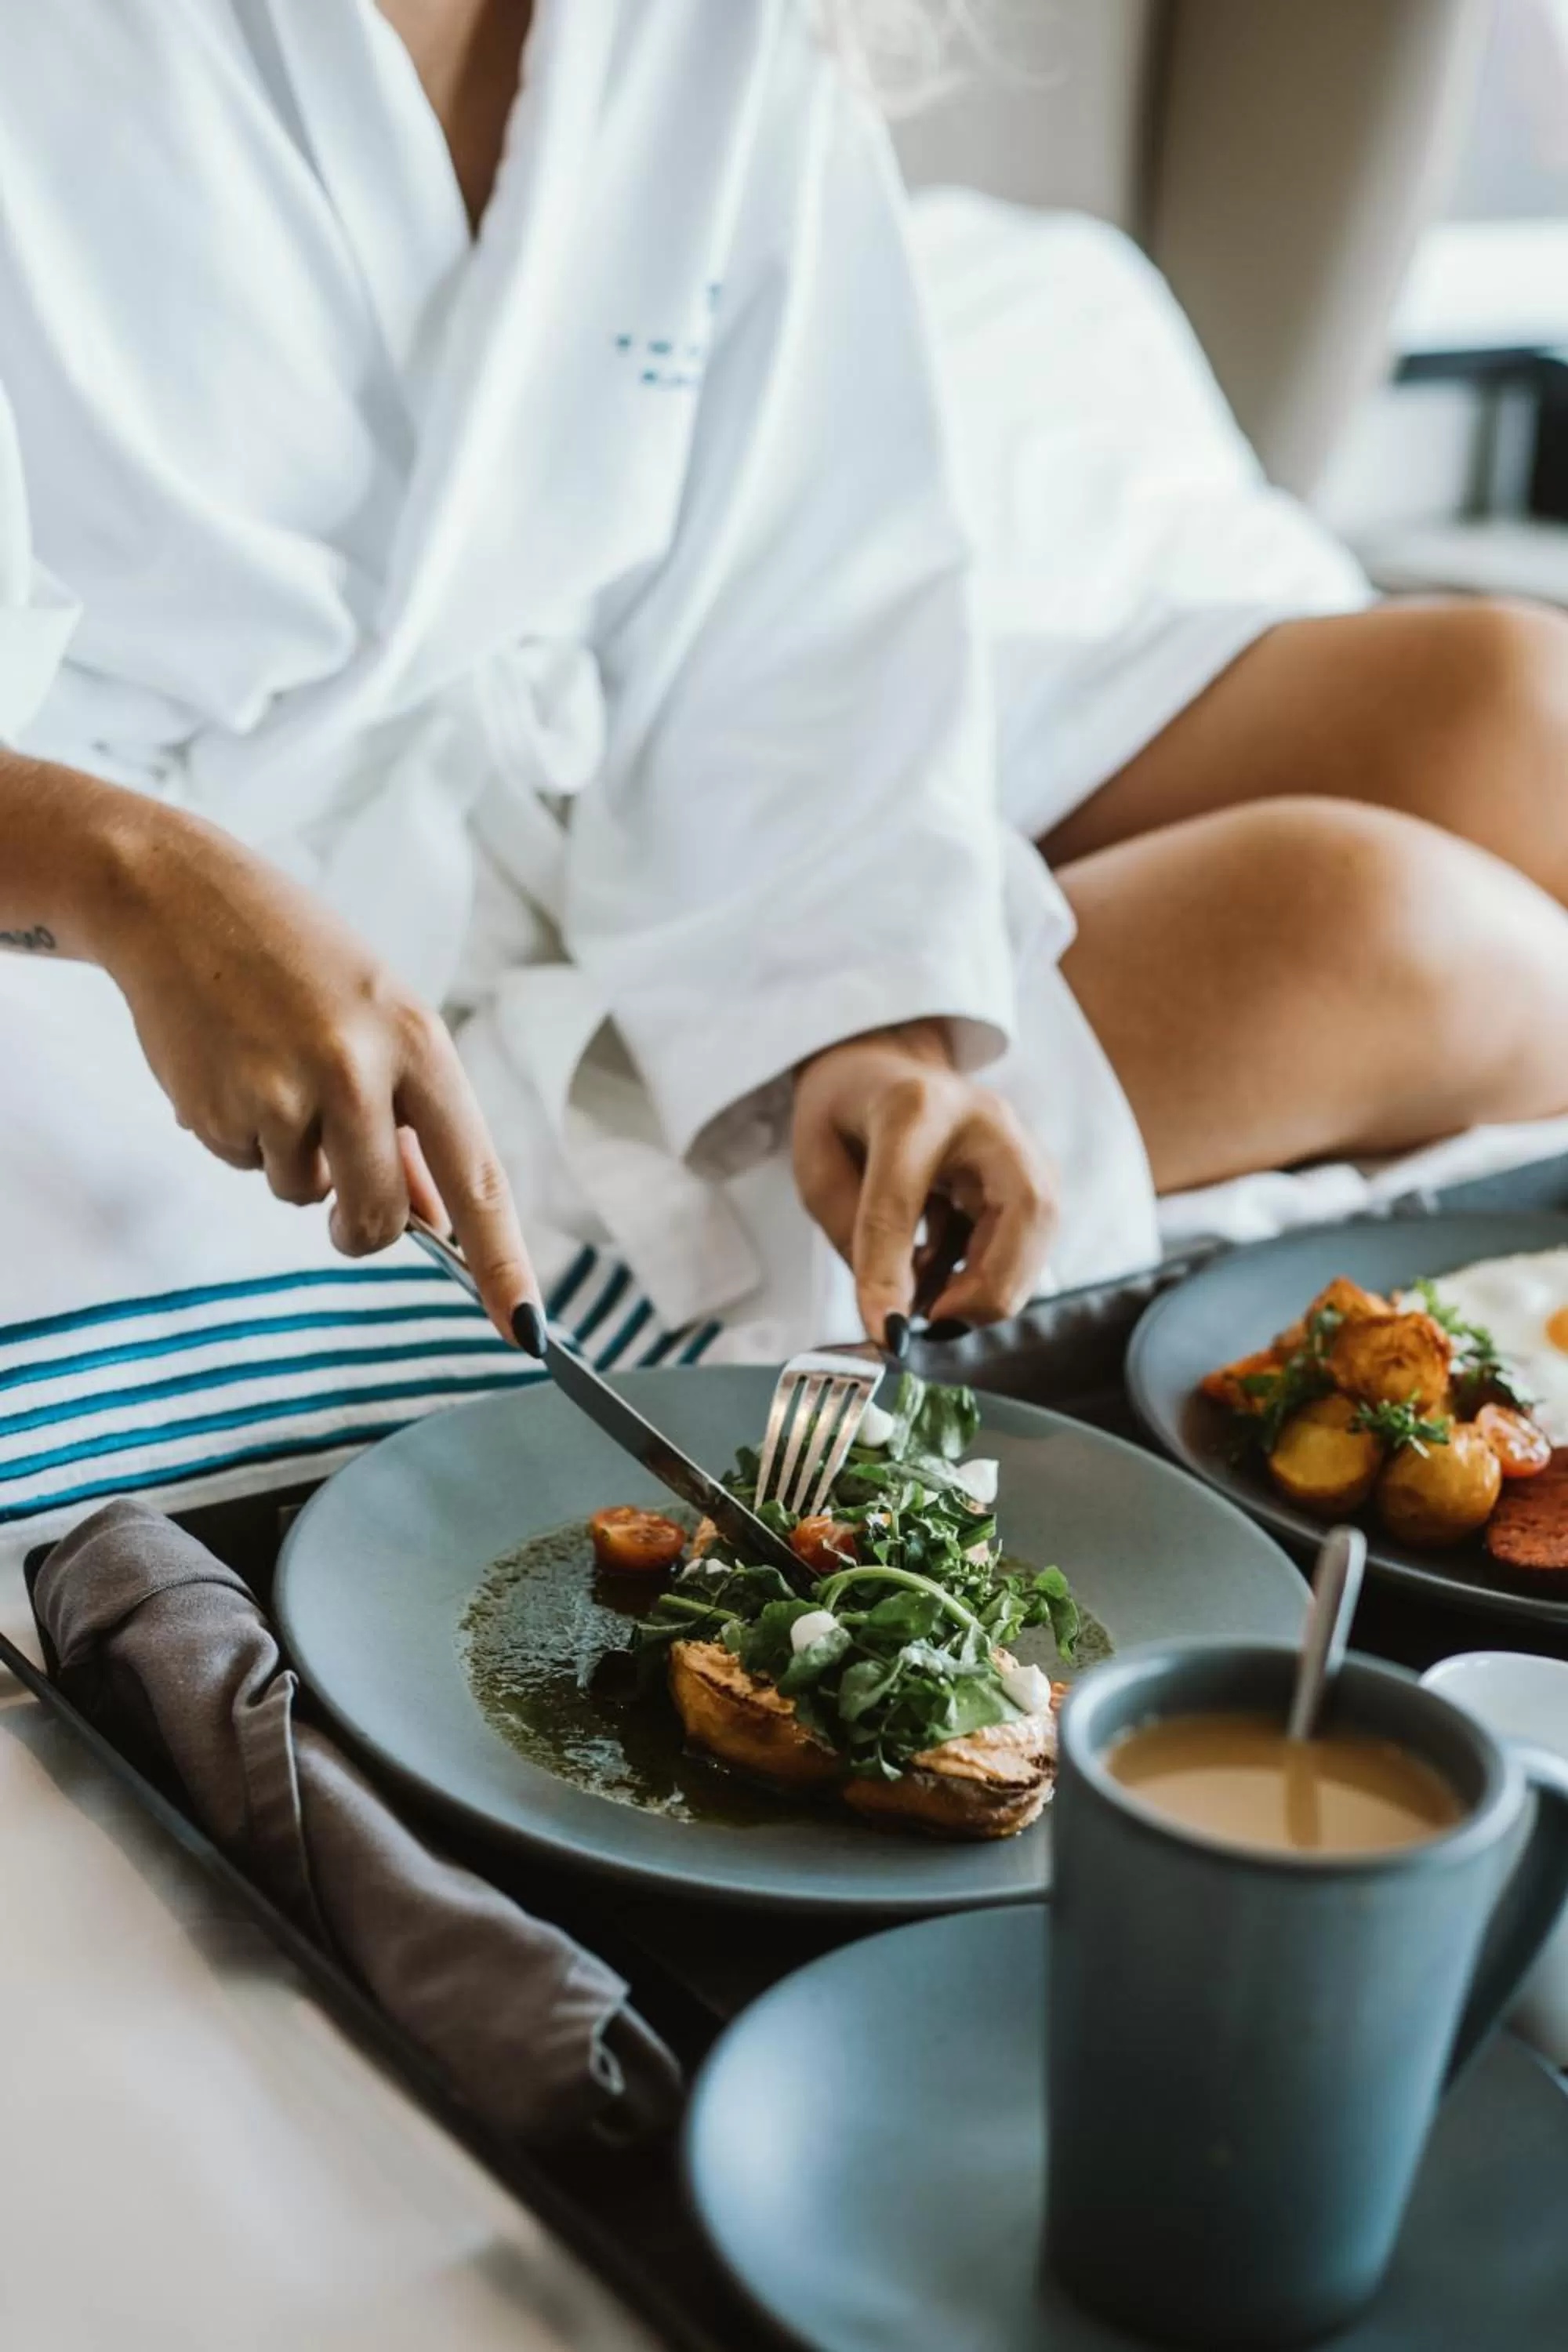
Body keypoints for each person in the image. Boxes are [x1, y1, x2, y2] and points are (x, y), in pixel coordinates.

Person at [5, 0, 1568, 1367]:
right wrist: (123, 874)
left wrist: (864, 1018)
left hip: (630, 766)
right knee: (1405, 947)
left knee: (1522, 714)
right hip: (118, 908)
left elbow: (785, 580)